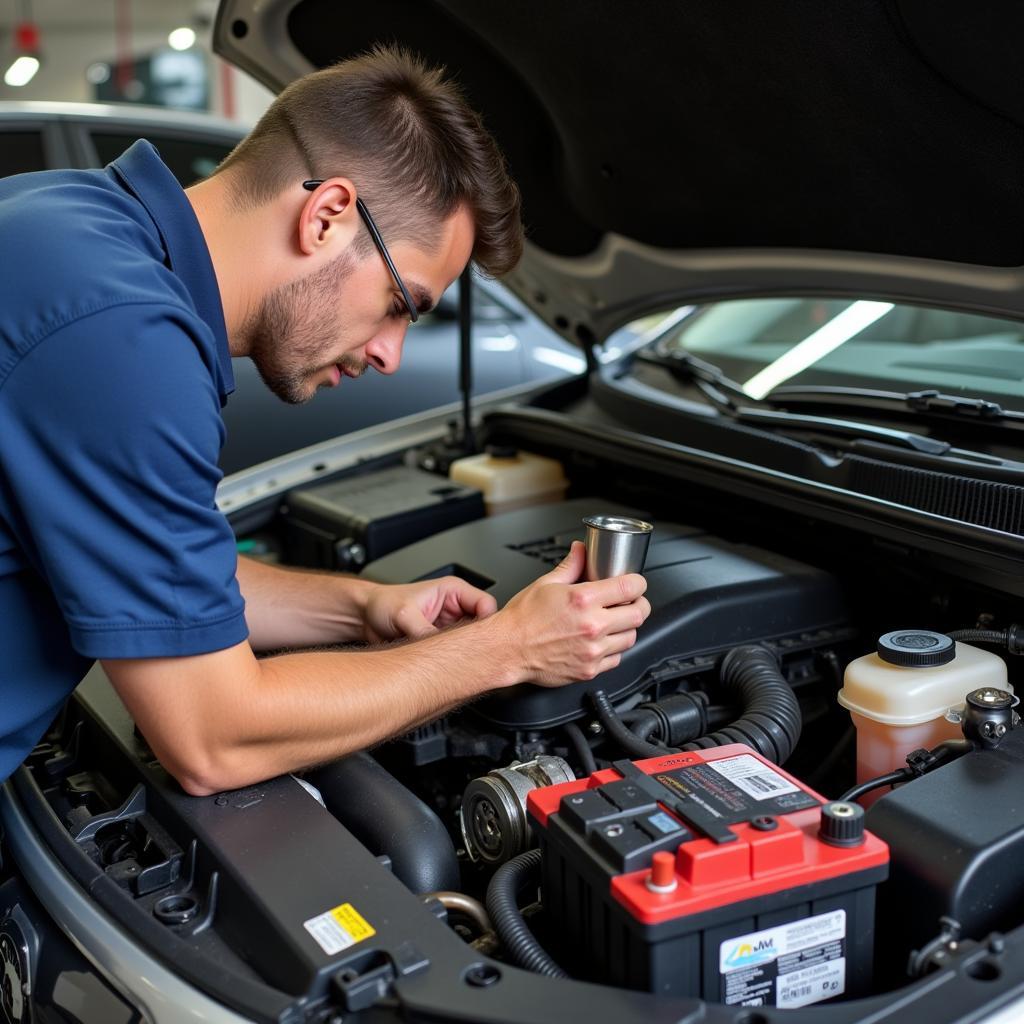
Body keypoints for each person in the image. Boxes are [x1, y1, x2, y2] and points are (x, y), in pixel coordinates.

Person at [0, 47, 649, 795]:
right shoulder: (124, 343)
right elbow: (214, 740)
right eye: (400, 305)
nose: (390, 355)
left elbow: (155, 571)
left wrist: (362, 607)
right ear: (327, 215)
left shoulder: (68, 220)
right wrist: (510, 648)